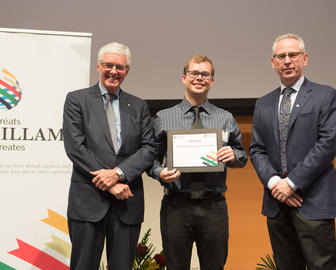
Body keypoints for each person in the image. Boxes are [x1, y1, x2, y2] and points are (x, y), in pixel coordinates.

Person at [148, 54, 248, 270]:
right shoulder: (164, 117)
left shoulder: (225, 117)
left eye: (205, 74)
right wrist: (160, 173)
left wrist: (234, 156)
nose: (199, 78)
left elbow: (242, 156)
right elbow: (152, 160)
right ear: (184, 78)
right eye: (194, 73)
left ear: (212, 80)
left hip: (214, 206)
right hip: (176, 206)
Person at [63, 42, 156, 270]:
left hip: (127, 202)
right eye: (108, 65)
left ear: (127, 71)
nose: (114, 71)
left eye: (120, 67)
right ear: (98, 66)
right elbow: (75, 147)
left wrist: (117, 174)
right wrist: (109, 184)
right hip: (88, 201)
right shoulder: (77, 100)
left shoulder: (138, 105)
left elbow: (148, 148)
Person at [249, 33, 336, 270]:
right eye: (281, 56)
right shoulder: (263, 103)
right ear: (273, 62)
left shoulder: (325, 95)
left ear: (304, 58)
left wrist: (293, 182)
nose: (287, 60)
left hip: (314, 202)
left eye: (293, 55)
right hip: (277, 203)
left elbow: (328, 143)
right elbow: (256, 149)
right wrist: (276, 183)